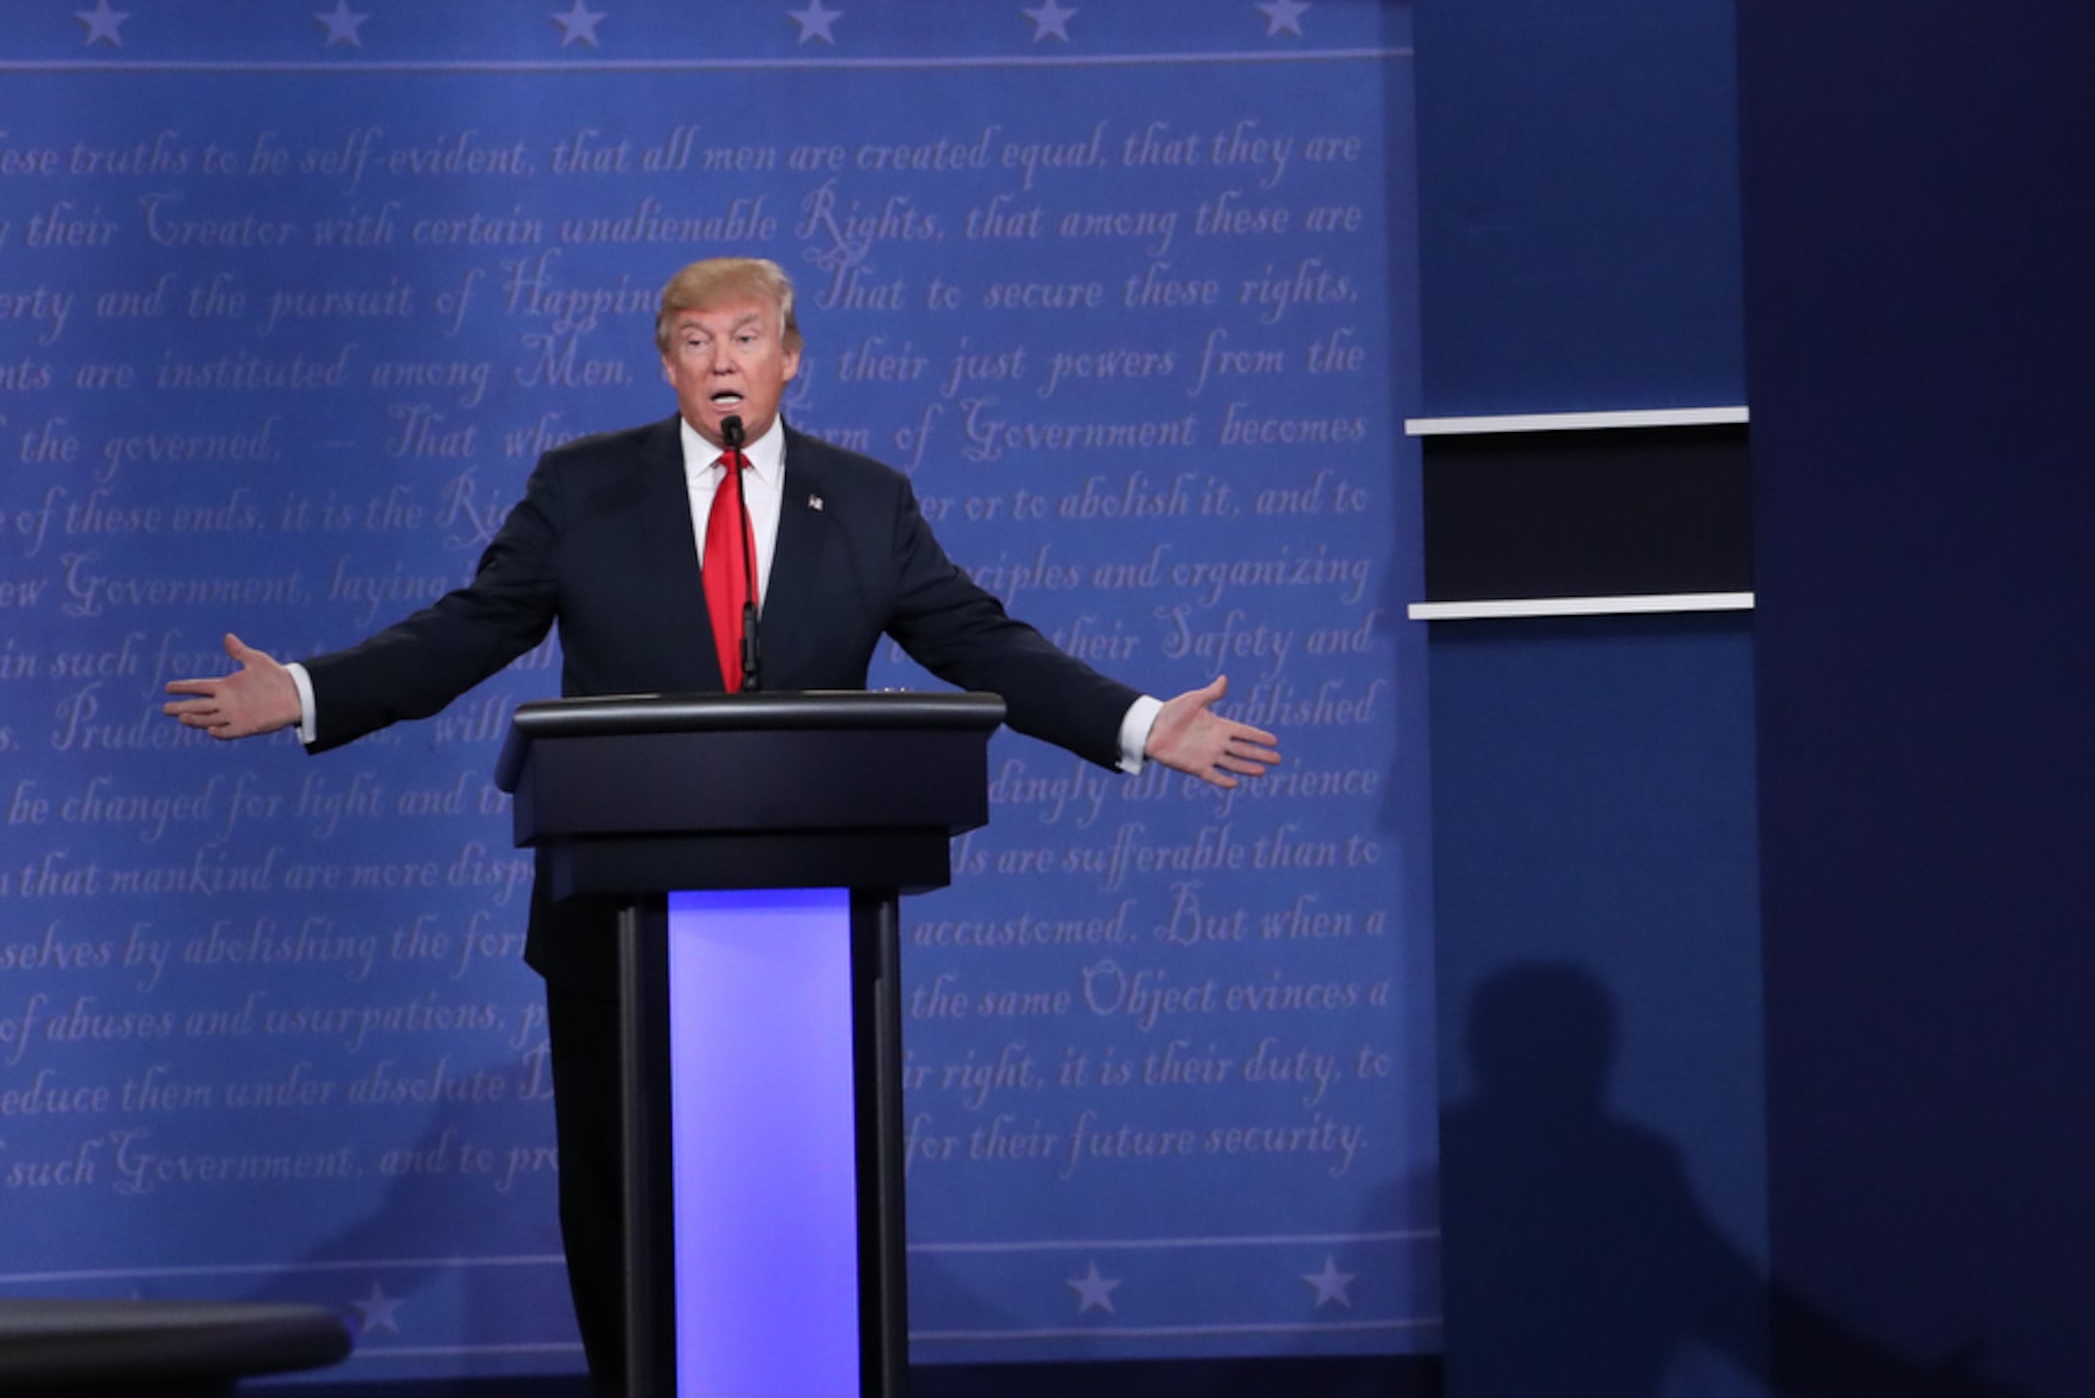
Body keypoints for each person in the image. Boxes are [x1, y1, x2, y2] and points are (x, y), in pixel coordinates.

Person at [160, 254, 1279, 1394]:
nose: (722, 362)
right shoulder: (583, 488)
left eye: (746, 338)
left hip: (803, 921)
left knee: (797, 1186)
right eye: (696, 342)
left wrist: (1138, 722)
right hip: (614, 917)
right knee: (622, 1192)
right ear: (667, 363)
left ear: (791, 358)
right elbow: (469, 630)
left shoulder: (868, 501)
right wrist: (306, 692)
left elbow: (981, 642)